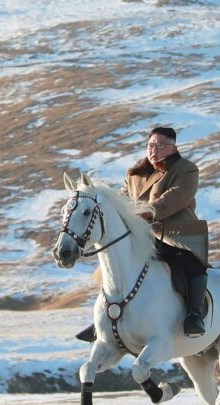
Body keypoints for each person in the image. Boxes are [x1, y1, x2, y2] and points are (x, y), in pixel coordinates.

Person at [76, 126, 209, 341]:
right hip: (141, 234)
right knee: (112, 267)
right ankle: (107, 317)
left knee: (192, 266)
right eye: (150, 145)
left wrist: (144, 213)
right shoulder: (136, 172)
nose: (153, 149)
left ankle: (194, 315)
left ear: (173, 147)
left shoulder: (186, 169)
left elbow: (174, 198)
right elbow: (122, 199)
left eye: (160, 145)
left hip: (175, 234)